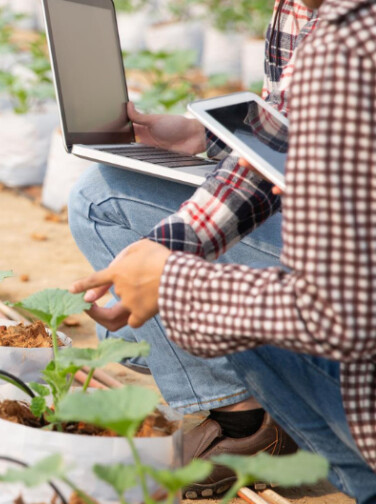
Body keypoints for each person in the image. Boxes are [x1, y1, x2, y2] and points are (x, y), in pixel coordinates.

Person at [71, 0, 376, 500]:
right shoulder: (313, 13)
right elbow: (288, 135)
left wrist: (174, 283)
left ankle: (259, 433)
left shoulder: (348, 38)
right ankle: (252, 421)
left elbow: (339, 311)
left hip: (352, 301)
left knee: (108, 206)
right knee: (117, 208)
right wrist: (204, 140)